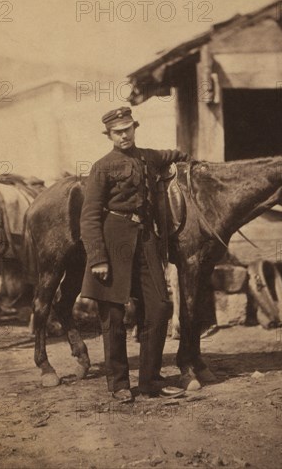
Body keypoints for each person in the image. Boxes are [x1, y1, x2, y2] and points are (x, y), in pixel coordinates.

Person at [80, 107, 189, 402]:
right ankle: (118, 383)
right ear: (109, 135)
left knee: (160, 307)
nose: (124, 135)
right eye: (118, 132)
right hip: (113, 238)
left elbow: (169, 155)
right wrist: (98, 258)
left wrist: (185, 155)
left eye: (128, 129)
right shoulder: (102, 167)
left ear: (134, 129)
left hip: (146, 240)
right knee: (113, 314)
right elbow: (89, 216)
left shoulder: (146, 157)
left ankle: (151, 381)